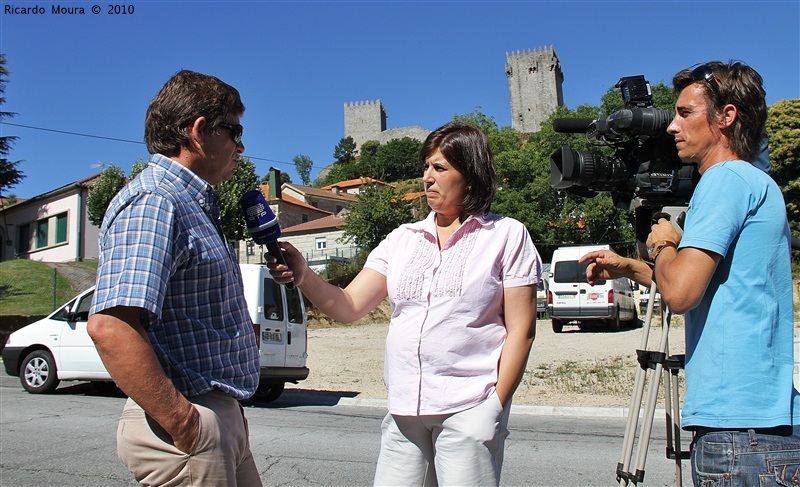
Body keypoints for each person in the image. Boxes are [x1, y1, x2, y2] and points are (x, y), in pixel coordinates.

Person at [268, 122, 541, 486]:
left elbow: (521, 329)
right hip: (404, 411)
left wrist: (492, 408)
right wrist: (304, 274)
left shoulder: (507, 235)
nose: (427, 178)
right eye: (426, 167)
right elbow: (348, 305)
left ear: (472, 176)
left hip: (469, 406)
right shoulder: (402, 239)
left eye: (440, 168)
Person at [580, 61, 800, 486]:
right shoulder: (756, 181)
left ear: (726, 116)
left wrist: (662, 241)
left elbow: (680, 294)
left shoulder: (723, 181)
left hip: (737, 431)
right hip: (763, 424)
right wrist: (630, 267)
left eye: (685, 113)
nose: (671, 126)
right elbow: (707, 285)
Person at [87, 70, 262, 486]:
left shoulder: (192, 202)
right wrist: (188, 424)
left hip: (216, 416)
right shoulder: (156, 201)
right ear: (199, 131)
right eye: (234, 131)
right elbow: (111, 326)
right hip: (187, 425)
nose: (241, 144)